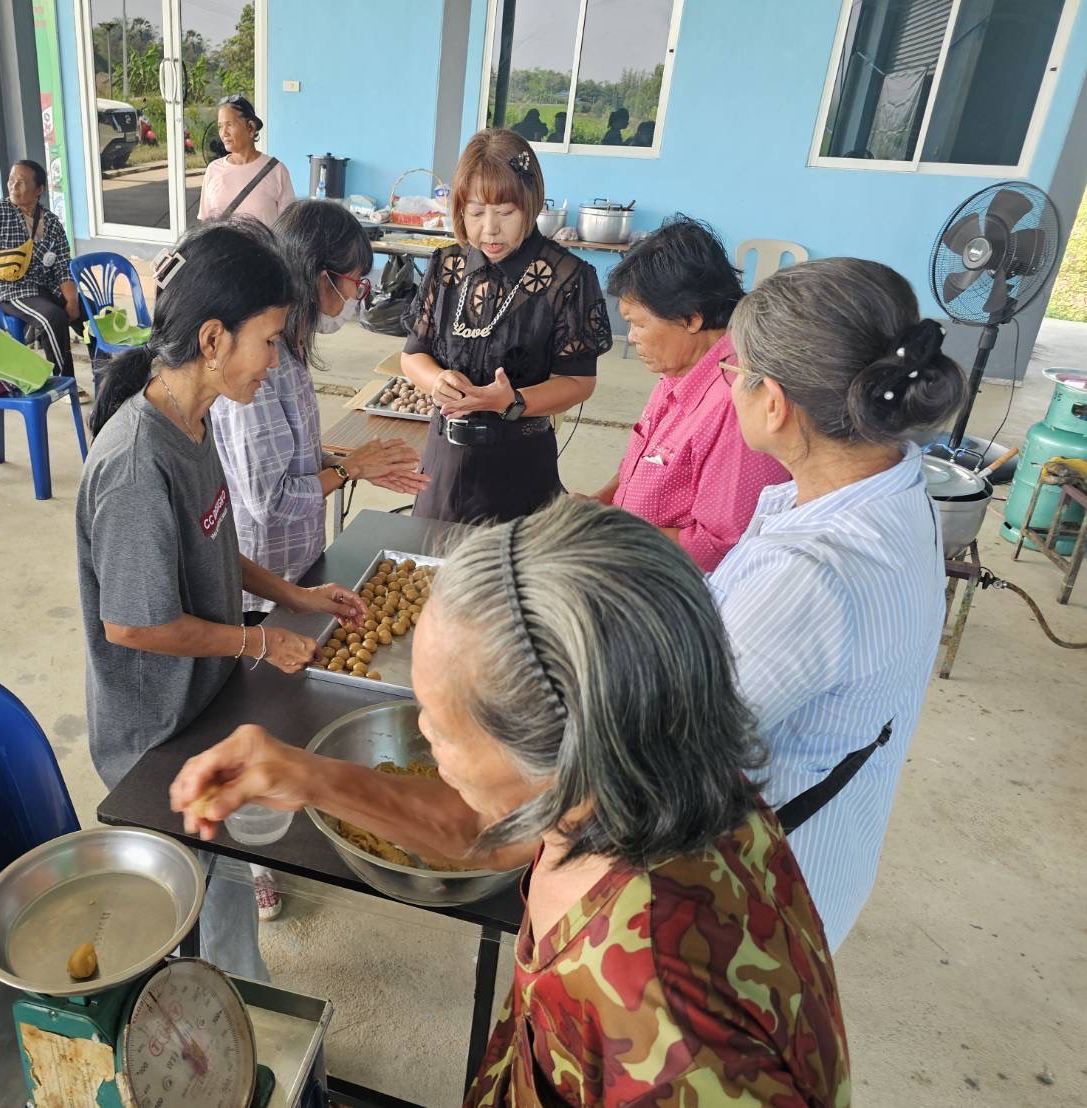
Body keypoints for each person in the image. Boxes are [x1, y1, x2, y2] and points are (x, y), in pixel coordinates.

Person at [171, 499, 851, 1105]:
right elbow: (485, 827)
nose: (425, 738)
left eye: (439, 724)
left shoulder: (665, 1022)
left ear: (553, 753)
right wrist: (310, 777)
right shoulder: (646, 772)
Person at [81, 219, 365, 978]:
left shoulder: (193, 417)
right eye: (268, 341)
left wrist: (291, 593)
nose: (274, 363)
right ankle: (227, 1017)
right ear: (213, 340)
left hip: (201, 702)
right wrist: (256, 641)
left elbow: (212, 544)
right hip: (154, 731)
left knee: (228, 881)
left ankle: (240, 992)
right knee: (197, 903)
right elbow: (134, 626)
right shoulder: (139, 464)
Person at [715, 257, 966, 944]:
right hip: (822, 864)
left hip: (745, 913)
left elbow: (668, 753)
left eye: (735, 371)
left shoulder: (807, 576)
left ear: (773, 401)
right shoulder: (896, 485)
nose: (729, 386)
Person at [212, 199, 427, 921]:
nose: (358, 298)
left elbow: (298, 458)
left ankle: (282, 805)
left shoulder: (289, 351)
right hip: (256, 574)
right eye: (355, 283)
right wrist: (351, 472)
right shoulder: (252, 367)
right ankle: (249, 861)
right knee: (249, 713)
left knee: (288, 707)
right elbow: (266, 499)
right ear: (317, 275)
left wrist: (345, 459)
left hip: (295, 568)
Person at [400, 129, 610, 524]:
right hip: (444, 459)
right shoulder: (447, 266)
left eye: (506, 212)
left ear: (531, 205)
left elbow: (579, 382)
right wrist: (437, 380)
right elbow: (413, 355)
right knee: (433, 569)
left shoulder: (568, 278)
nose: (490, 230)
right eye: (476, 213)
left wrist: (510, 401)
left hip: (519, 466)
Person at [586, 216, 789, 571]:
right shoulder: (680, 368)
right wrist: (601, 504)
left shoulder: (738, 400)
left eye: (638, 323)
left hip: (674, 588)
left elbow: (720, 546)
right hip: (632, 557)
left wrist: (611, 532)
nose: (631, 337)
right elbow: (646, 463)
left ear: (691, 318)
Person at [0, 158, 89, 397]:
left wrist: (72, 300)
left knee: (90, 314)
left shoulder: (52, 222)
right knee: (52, 317)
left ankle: (104, 375)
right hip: (11, 290)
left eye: (21, 182)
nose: (14, 186)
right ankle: (64, 383)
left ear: (39, 189)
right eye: (12, 180)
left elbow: (62, 265)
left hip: (46, 288)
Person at [197, 95, 294, 226]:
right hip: (221, 247)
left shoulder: (277, 170)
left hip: (262, 247)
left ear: (251, 127)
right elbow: (205, 223)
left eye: (229, 124)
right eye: (220, 126)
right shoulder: (213, 170)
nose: (223, 133)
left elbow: (289, 227)